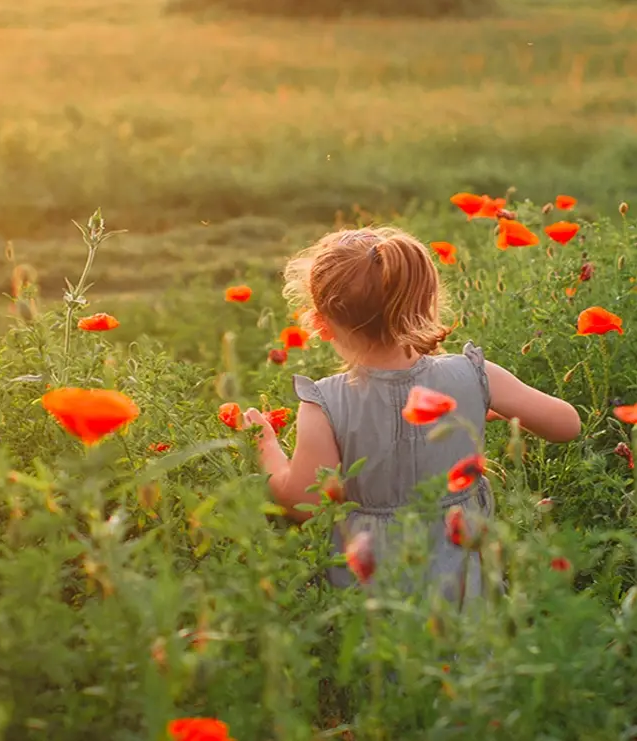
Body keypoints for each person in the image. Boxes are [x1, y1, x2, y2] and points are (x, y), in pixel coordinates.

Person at [243, 226, 580, 600]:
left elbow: (303, 505)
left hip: (373, 596)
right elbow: (567, 425)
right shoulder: (475, 375)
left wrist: (265, 446)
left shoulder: (324, 404)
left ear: (320, 323)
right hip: (464, 587)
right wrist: (481, 404)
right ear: (426, 302)